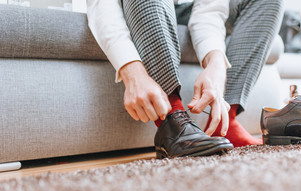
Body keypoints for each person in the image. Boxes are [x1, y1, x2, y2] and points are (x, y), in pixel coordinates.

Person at [87, 0, 284, 158]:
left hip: (180, 8)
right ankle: (172, 121)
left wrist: (216, 65)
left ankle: (224, 123)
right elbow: (102, 5)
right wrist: (132, 72)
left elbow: (209, 11)